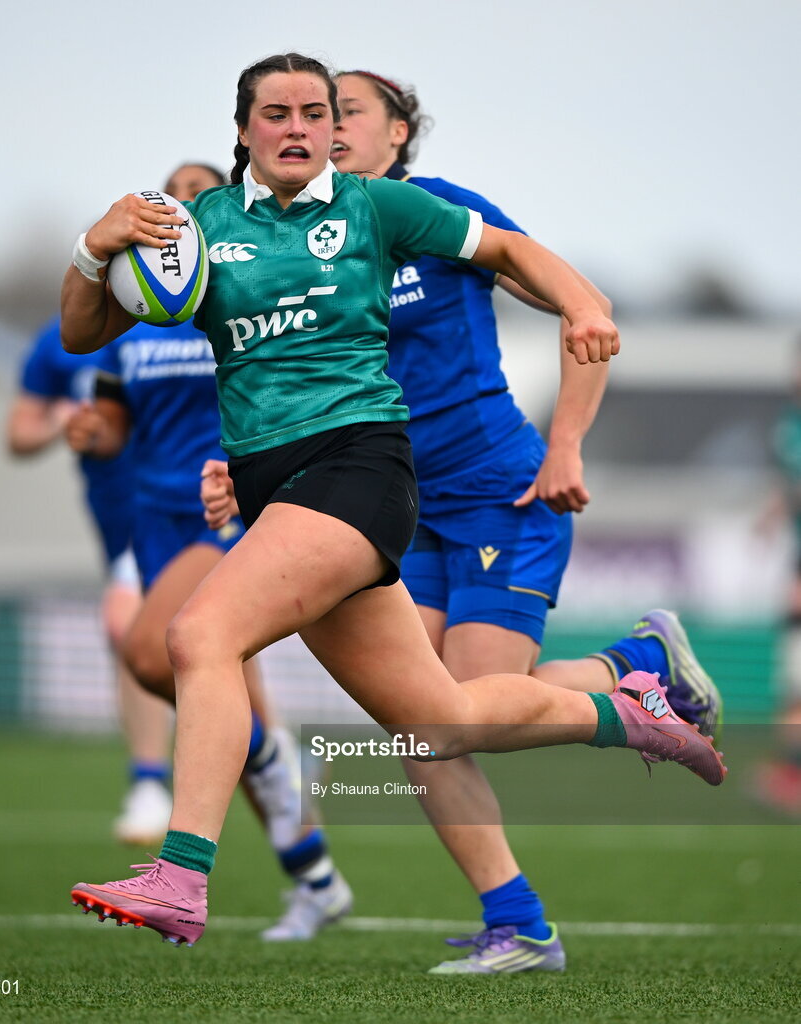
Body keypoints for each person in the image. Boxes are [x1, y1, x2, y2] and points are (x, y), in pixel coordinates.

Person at [60, 52, 725, 952]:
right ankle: (624, 708)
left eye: (316, 110)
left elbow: (509, 250)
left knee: (197, 635)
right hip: (280, 488)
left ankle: (181, 876)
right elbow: (81, 329)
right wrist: (92, 249)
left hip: (364, 475)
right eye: (277, 113)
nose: (301, 127)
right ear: (244, 130)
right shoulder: (203, 228)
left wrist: (582, 306)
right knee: (436, 721)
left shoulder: (378, 206)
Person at [313, 69, 722, 972]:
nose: (329, 128)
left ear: (398, 135)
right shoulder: (312, 244)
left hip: (504, 491)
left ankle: (637, 676)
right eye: (315, 114)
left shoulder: (445, 214)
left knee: (455, 720)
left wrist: (567, 443)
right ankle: (523, 919)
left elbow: (589, 313)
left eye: (349, 114)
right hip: (400, 509)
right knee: (419, 724)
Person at [65, 161, 353, 939]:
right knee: (222, 712)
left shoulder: (239, 286)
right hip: (151, 519)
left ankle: (265, 758)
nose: (182, 208)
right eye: (171, 195)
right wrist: (95, 436)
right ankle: (317, 879)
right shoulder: (134, 312)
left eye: (199, 193)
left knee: (153, 654)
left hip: (220, 509)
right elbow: (116, 417)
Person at [6, 321, 172, 846]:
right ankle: (272, 753)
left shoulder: (194, 320)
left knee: (131, 625)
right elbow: (18, 433)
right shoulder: (58, 342)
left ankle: (150, 782)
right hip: (117, 513)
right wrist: (61, 424)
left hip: (184, 505)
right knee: (188, 637)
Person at [755, 341, 801, 815]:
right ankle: (790, 773)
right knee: (793, 682)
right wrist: (772, 513)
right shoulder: (790, 423)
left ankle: (790, 774)